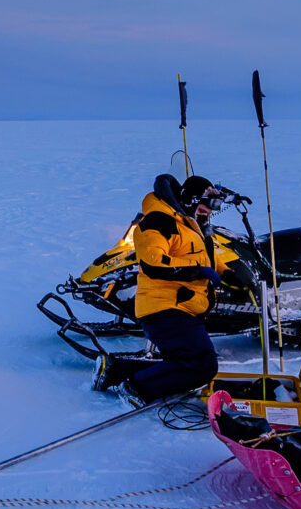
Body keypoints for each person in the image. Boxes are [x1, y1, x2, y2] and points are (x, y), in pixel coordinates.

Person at [91, 173, 222, 404]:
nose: (208, 212)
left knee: (183, 361)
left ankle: (114, 370)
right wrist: (196, 271)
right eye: (204, 206)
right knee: (203, 364)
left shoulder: (189, 225)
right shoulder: (159, 221)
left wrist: (229, 273)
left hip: (180, 305)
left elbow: (204, 259)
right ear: (191, 200)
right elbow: (153, 262)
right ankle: (136, 388)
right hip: (165, 307)